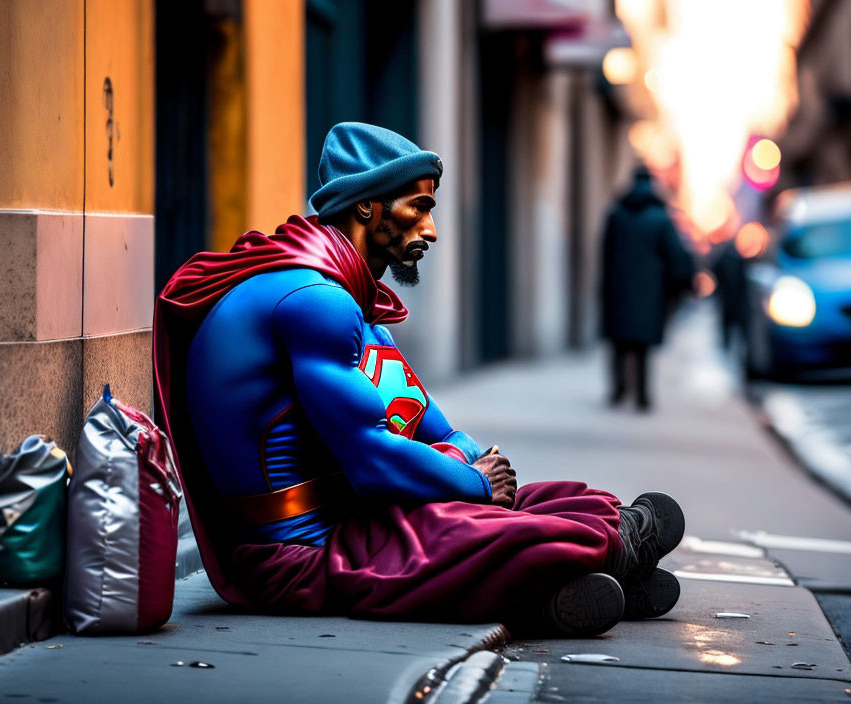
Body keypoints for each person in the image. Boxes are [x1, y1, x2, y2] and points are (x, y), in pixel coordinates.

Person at [154, 123, 685, 637]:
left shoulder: (344, 299)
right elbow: (374, 463)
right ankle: (615, 550)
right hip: (292, 558)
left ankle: (564, 584)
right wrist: (475, 481)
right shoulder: (316, 303)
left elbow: (428, 422)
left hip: (344, 521)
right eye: (419, 207)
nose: (430, 230)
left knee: (536, 501)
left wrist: (474, 468)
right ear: (367, 205)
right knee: (462, 526)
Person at [600, 165, 694, 411]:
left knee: (620, 342)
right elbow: (675, 257)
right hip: (649, 292)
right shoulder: (661, 219)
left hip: (619, 288)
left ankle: (618, 390)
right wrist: (678, 286)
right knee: (642, 345)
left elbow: (605, 255)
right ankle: (642, 395)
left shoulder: (616, 214)